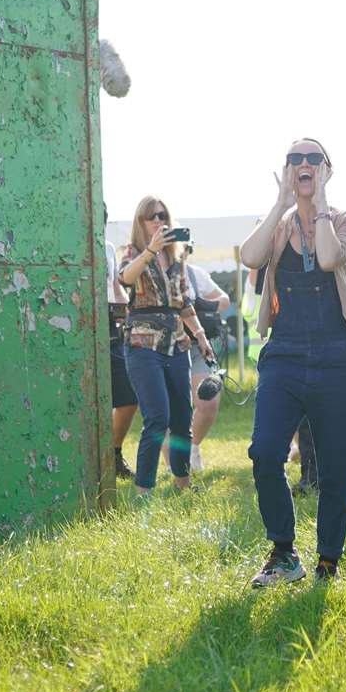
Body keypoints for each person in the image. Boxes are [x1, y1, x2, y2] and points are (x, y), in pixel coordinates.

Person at [240, 138, 346, 585]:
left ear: (327, 170)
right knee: (264, 452)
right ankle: (283, 553)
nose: (303, 164)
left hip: (339, 354)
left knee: (336, 463)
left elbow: (332, 257)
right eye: (295, 158)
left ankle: (328, 560)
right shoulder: (277, 223)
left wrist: (322, 204)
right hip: (286, 352)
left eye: (313, 158)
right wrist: (280, 204)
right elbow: (249, 258)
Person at [118, 197, 218, 495]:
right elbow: (125, 278)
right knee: (157, 419)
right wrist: (150, 250)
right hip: (142, 342)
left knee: (182, 418)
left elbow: (184, 303)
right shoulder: (134, 253)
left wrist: (200, 336)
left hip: (177, 343)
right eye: (152, 217)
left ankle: (182, 484)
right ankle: (143, 490)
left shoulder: (177, 260)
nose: (159, 221)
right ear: (141, 222)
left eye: (163, 216)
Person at [182, 247, 232, 476]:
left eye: (184, 247)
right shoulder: (152, 270)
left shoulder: (195, 274)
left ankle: (192, 448)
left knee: (208, 401)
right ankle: (177, 466)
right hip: (165, 347)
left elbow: (224, 300)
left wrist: (202, 305)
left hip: (198, 346)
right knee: (172, 408)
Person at [105, 234, 140, 480]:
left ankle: (113, 453)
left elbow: (115, 285)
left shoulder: (107, 247)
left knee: (128, 397)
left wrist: (126, 311)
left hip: (110, 327)